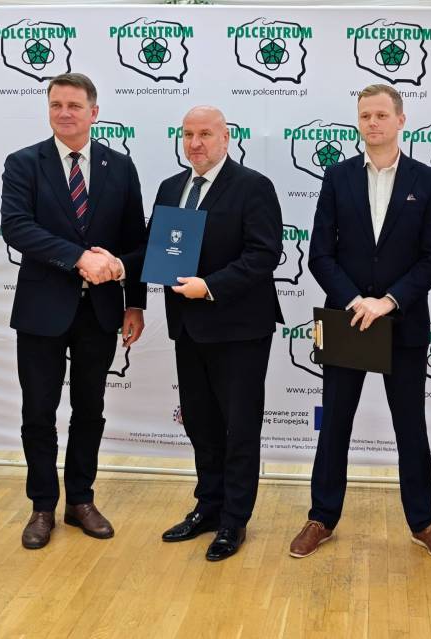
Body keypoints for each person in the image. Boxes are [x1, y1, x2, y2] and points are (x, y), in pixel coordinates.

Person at [289, 84, 431, 562]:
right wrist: (355, 299)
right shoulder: (336, 177)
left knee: (411, 427)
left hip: (402, 322)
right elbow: (319, 254)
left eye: (382, 115)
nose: (373, 123)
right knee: (335, 424)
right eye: (365, 115)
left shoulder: (427, 180)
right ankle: (321, 517)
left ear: (401, 120)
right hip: (348, 320)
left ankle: (424, 522)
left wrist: (388, 301)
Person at [0, 73, 148, 550]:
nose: (64, 113)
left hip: (100, 312)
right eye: (56, 104)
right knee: (38, 412)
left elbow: (136, 242)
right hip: (42, 310)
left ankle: (81, 500)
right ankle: (42, 505)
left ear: (93, 112)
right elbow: (16, 227)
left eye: (74, 105)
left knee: (90, 410)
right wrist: (79, 257)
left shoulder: (120, 167)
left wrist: (135, 302)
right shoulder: (24, 163)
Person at [154, 106, 283, 561]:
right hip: (188, 328)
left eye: (205, 134)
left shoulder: (252, 186)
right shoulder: (171, 187)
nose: (195, 143)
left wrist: (210, 286)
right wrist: (116, 264)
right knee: (200, 424)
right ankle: (208, 507)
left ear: (226, 138)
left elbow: (264, 254)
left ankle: (234, 520)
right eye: (188, 134)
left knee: (239, 428)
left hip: (239, 329)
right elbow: (159, 249)